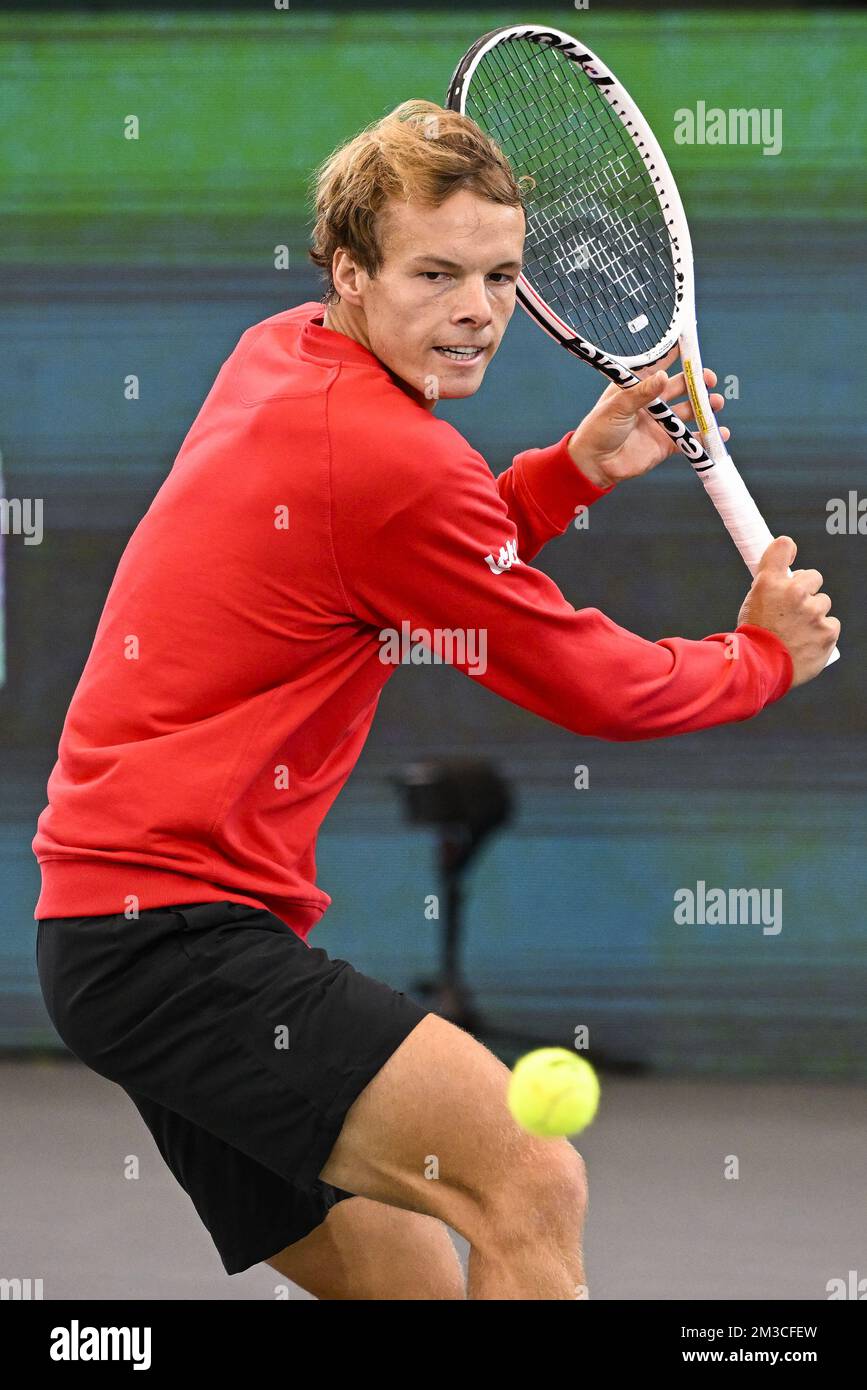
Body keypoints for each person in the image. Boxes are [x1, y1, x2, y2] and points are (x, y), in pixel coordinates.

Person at [32, 100, 839, 1300]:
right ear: (350, 272)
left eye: (503, 273)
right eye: (436, 272)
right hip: (175, 942)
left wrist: (571, 473)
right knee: (528, 1176)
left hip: (118, 932)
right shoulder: (389, 459)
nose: (478, 310)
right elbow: (588, 680)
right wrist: (758, 659)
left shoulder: (282, 352)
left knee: (404, 1279)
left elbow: (391, 554)